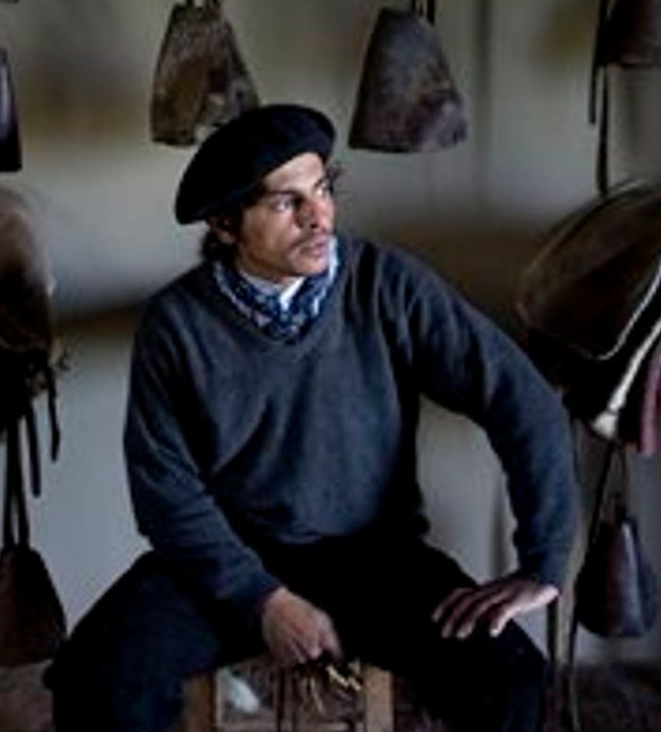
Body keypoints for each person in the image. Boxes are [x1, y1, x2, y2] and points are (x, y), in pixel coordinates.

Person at [47, 104, 578, 731]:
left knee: (511, 680)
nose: (318, 215)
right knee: (95, 680)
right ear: (224, 223)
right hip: (226, 562)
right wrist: (263, 601)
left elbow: (519, 398)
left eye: (323, 189)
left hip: (375, 560)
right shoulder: (177, 325)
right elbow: (166, 493)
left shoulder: (387, 285)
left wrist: (543, 561)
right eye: (285, 202)